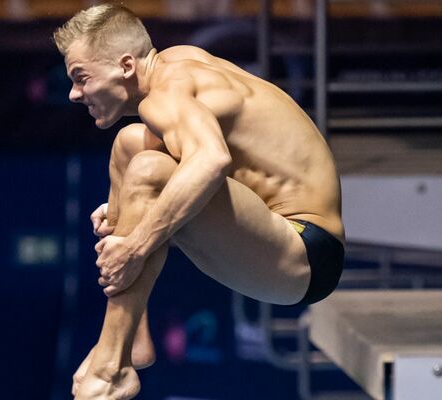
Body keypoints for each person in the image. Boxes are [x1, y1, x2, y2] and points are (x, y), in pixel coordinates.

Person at [53, 4, 345, 399]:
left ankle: (110, 366)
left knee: (148, 172)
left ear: (125, 66)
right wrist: (128, 210)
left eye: (81, 78)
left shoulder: (162, 97)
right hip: (277, 232)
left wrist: (134, 246)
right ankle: (133, 341)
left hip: (305, 251)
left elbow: (211, 159)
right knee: (128, 146)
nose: (74, 94)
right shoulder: (177, 62)